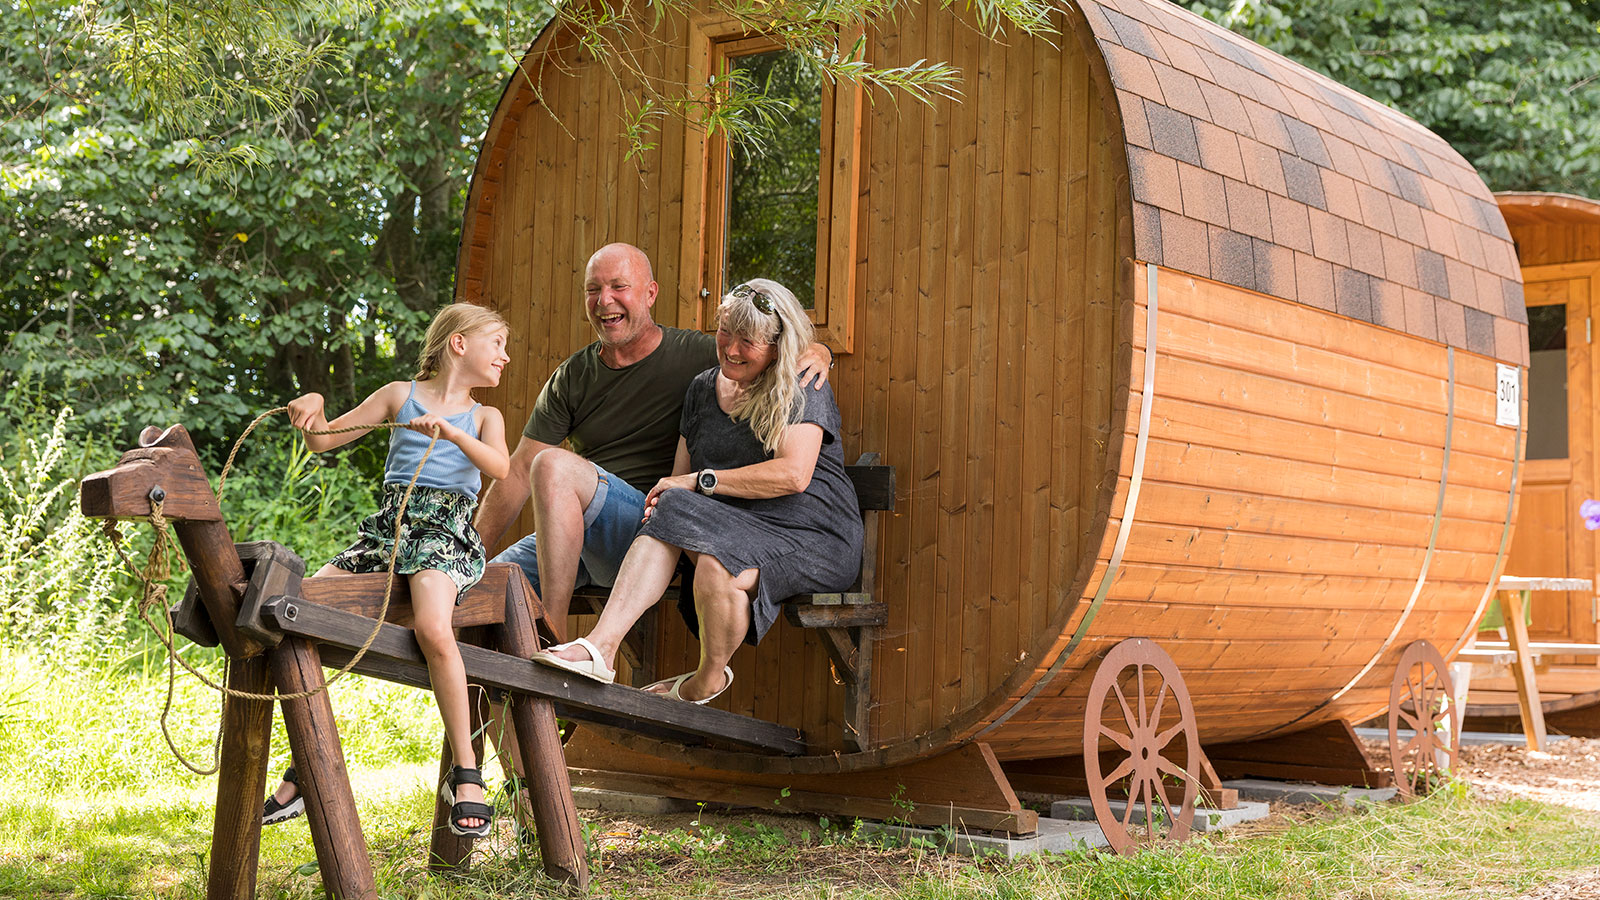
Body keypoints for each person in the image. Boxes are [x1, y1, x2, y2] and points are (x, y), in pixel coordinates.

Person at [534, 278, 862, 703]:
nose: (731, 348)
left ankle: (693, 675)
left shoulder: (800, 382)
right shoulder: (702, 388)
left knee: (709, 554)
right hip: (738, 530)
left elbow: (794, 476)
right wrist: (675, 498)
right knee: (703, 553)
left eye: (748, 341)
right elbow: (678, 485)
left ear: (778, 347)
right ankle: (607, 651)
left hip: (813, 534)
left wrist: (701, 482)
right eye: (725, 332)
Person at [260, 303, 511, 837]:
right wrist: (313, 405)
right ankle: (304, 764)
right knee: (292, 611)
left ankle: (467, 775)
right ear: (459, 344)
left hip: (444, 535)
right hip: (388, 531)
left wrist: (451, 433)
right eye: (497, 344)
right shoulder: (400, 395)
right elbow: (323, 438)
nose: (505, 356)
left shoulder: (486, 417)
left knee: (434, 628)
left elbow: (500, 468)